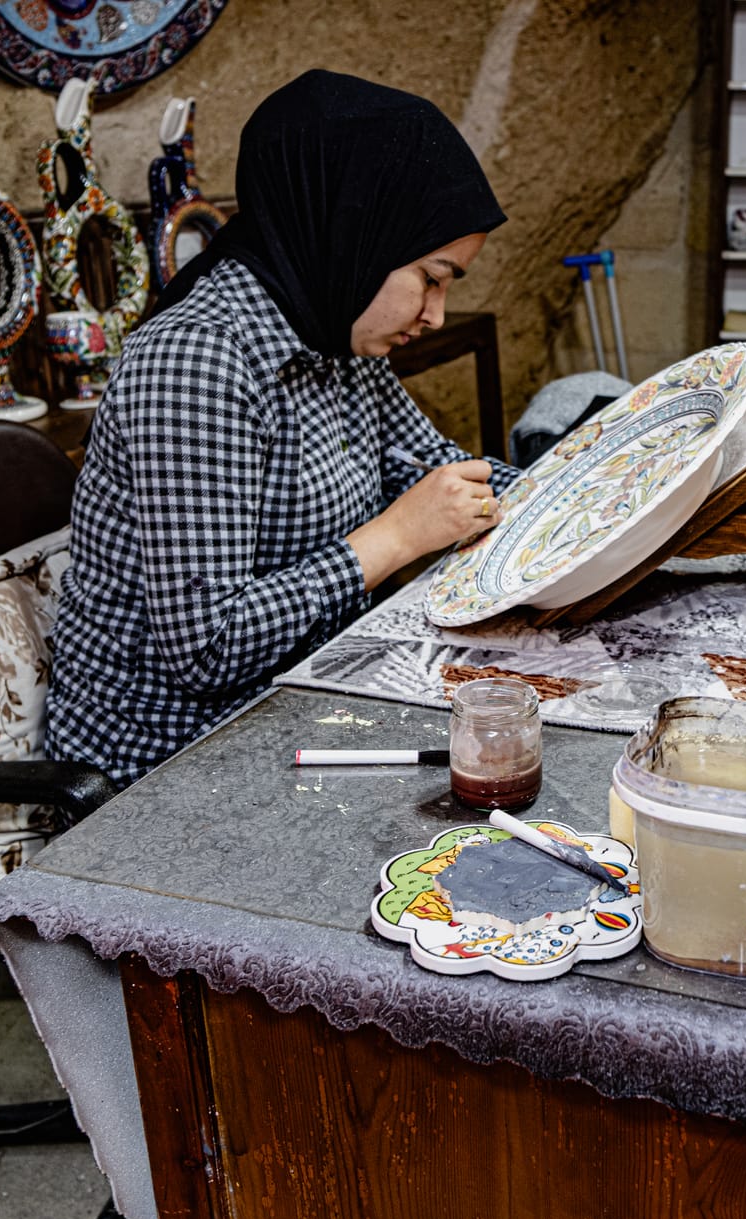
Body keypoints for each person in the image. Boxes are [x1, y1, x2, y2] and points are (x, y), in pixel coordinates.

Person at [47, 71, 517, 786]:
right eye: (431, 277)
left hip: (291, 704)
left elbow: (442, 473)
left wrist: (591, 493)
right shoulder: (199, 363)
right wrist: (393, 538)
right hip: (163, 766)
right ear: (356, 236)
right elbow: (205, 648)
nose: (435, 316)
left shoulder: (332, 335)